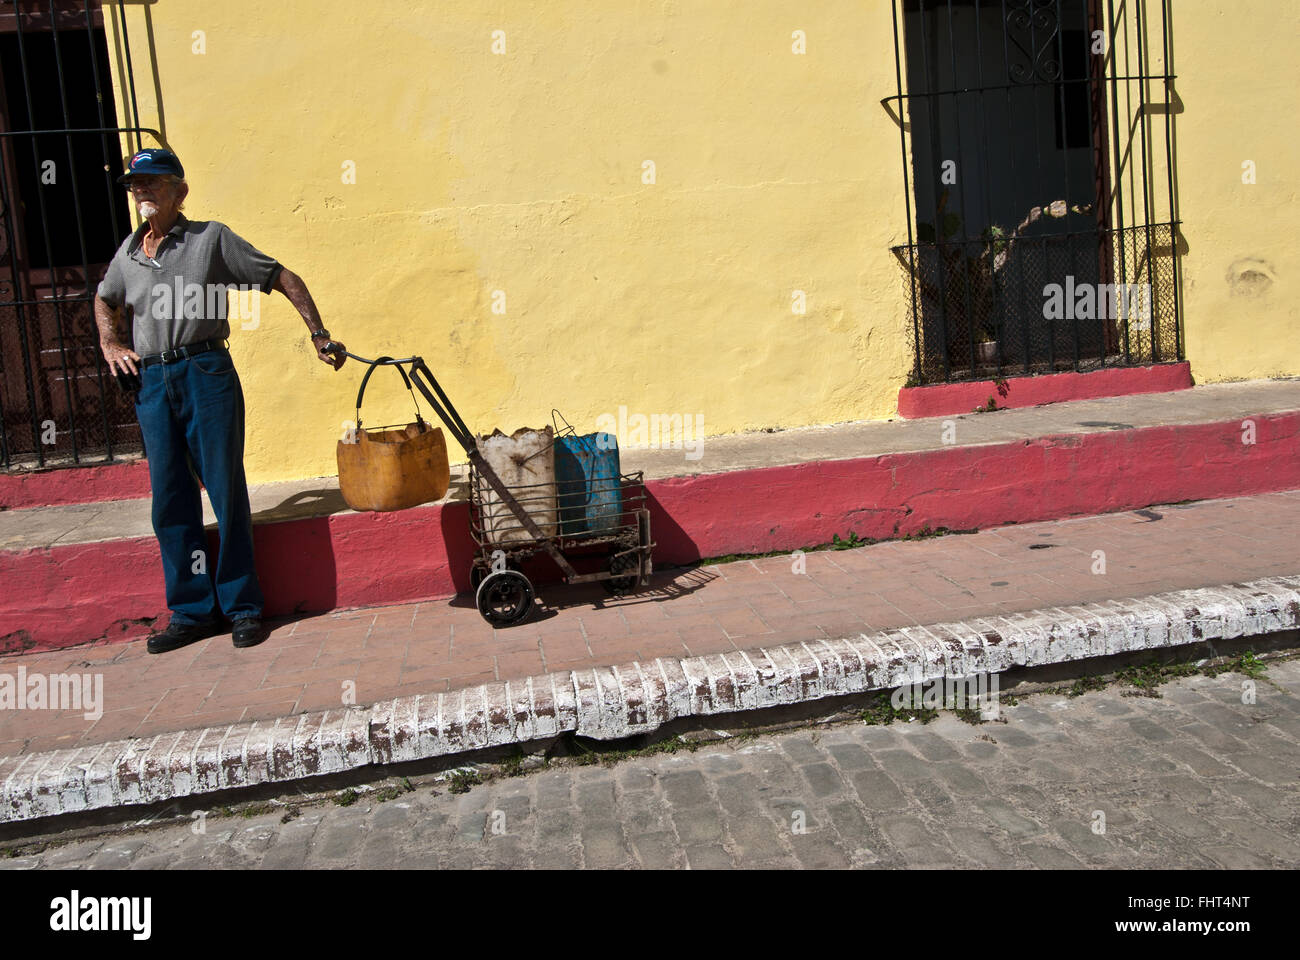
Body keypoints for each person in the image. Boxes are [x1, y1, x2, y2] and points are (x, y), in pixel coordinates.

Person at [94, 147, 347, 654]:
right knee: (170, 499)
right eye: (135, 185)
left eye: (153, 183)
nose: (141, 192)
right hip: (151, 382)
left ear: (179, 192)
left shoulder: (211, 239)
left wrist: (318, 334)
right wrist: (110, 343)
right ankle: (190, 612)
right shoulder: (129, 252)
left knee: (225, 491)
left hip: (204, 370)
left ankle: (242, 607)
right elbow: (104, 298)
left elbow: (281, 277)